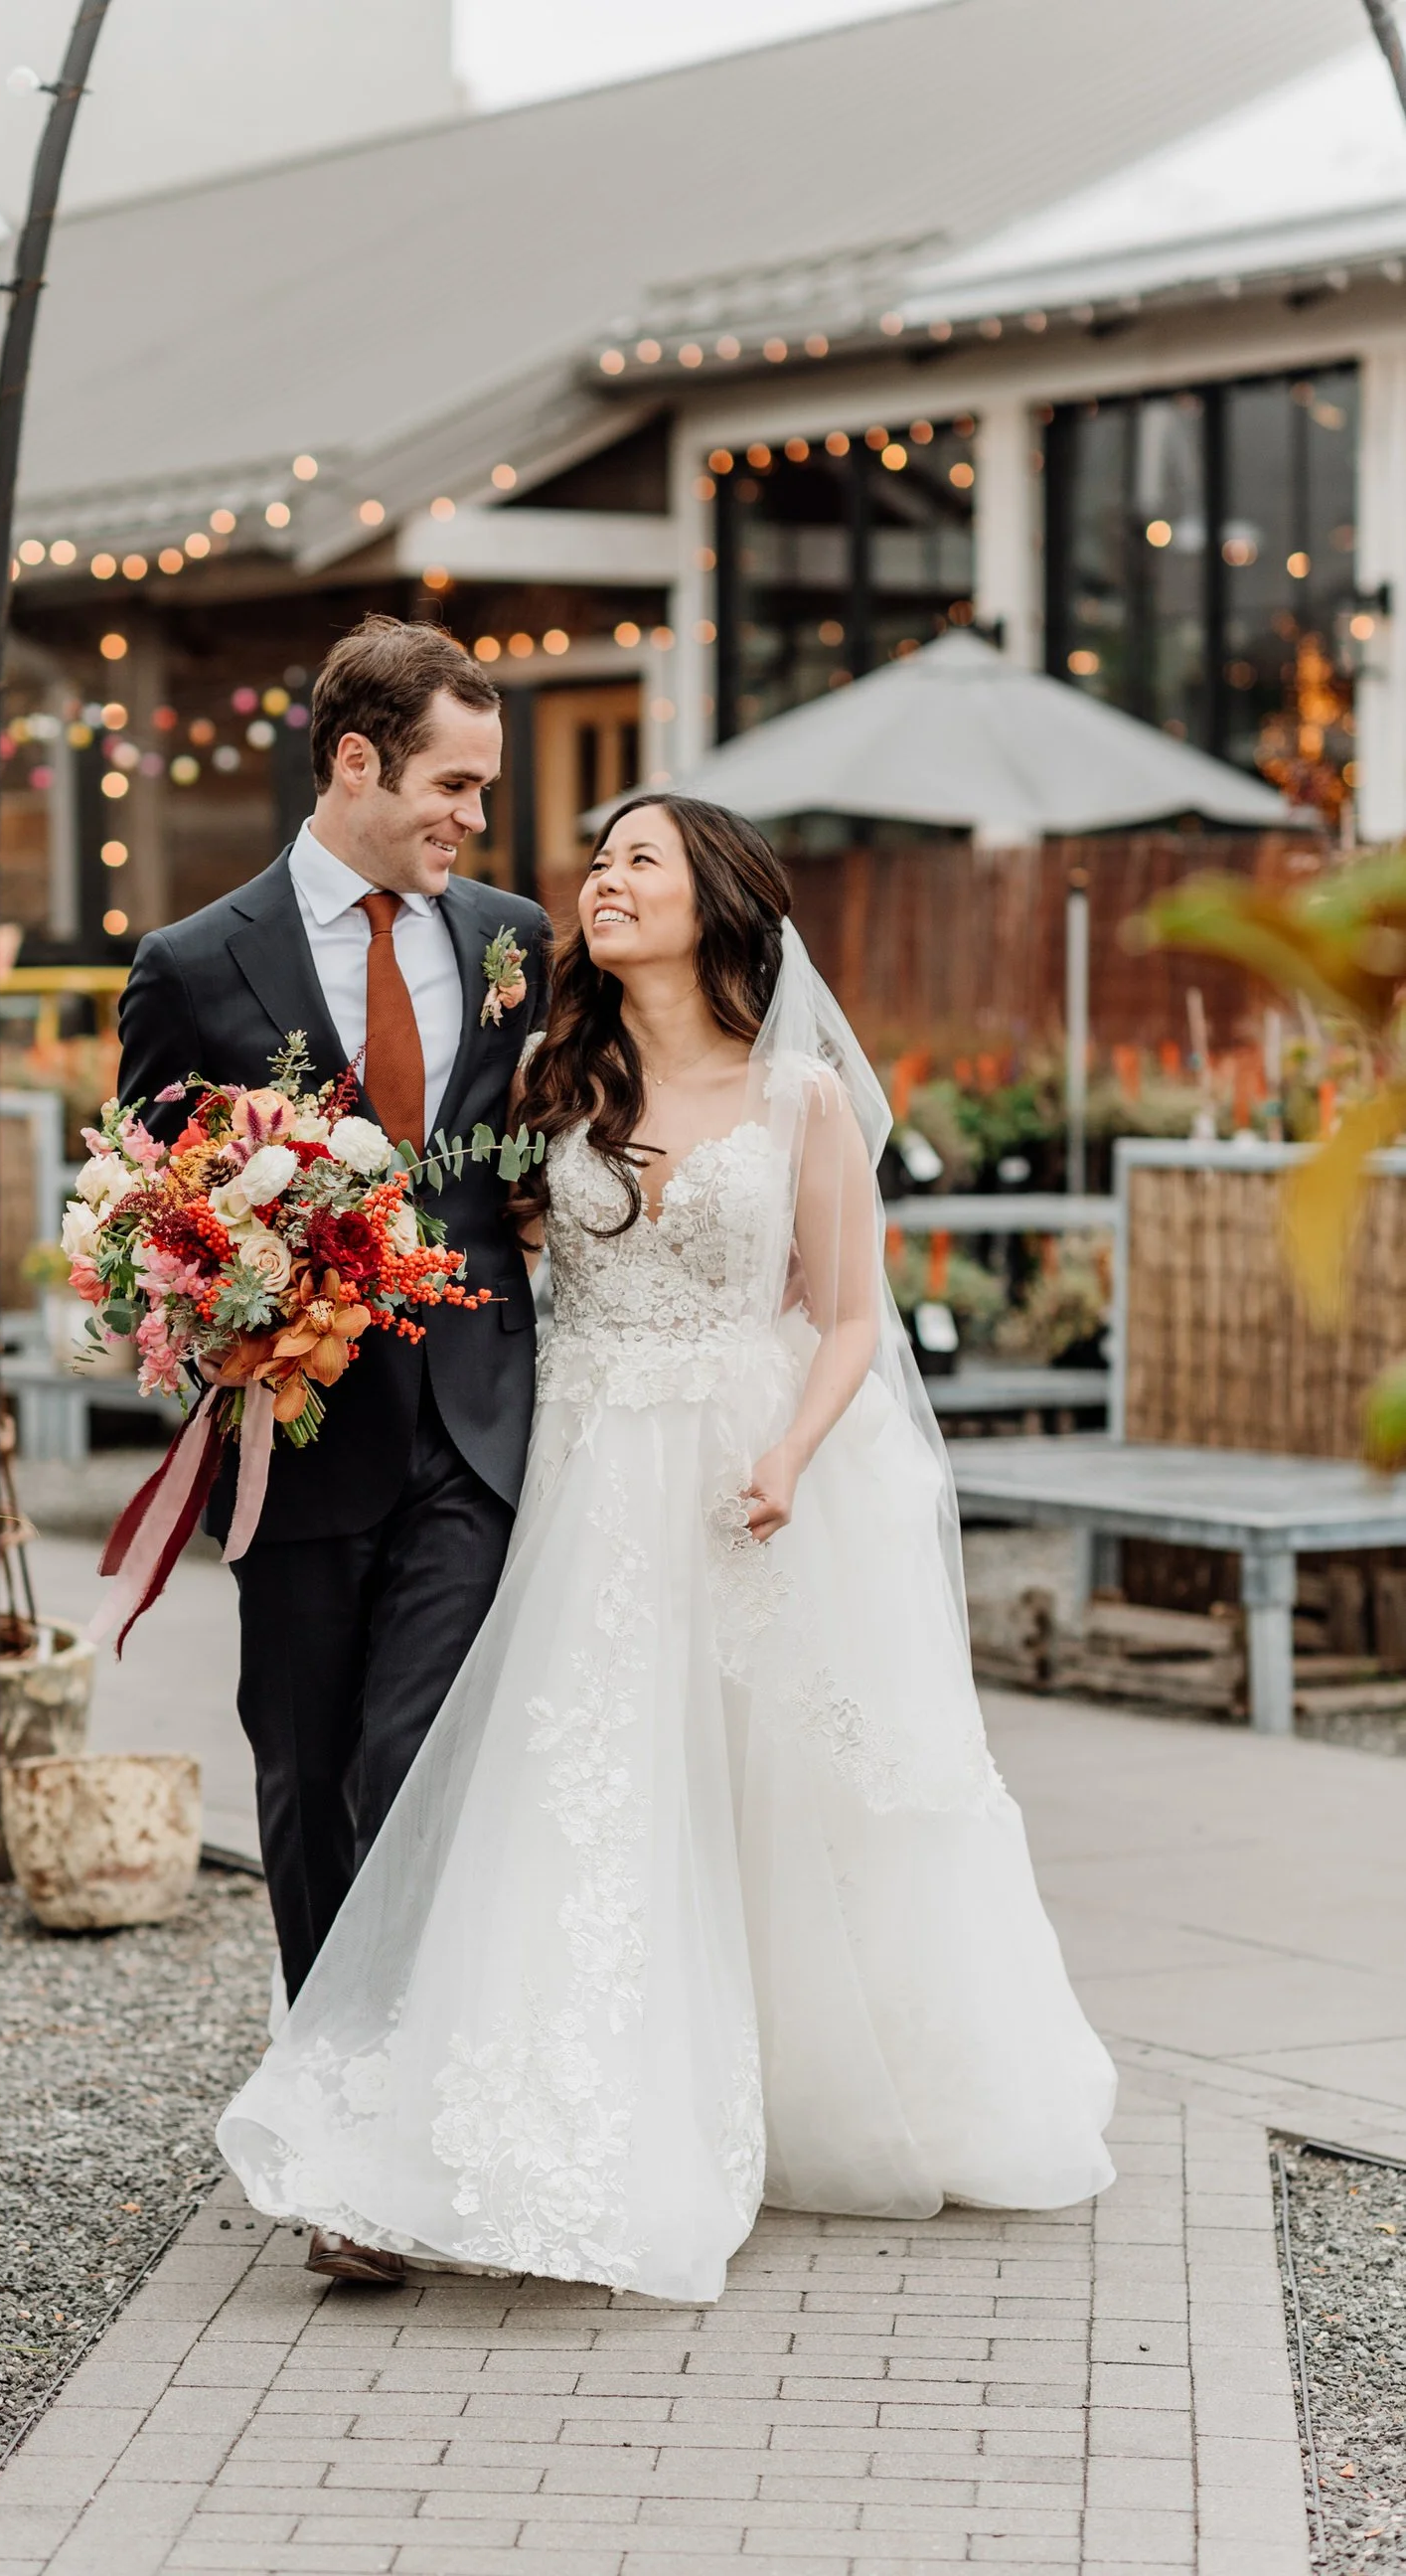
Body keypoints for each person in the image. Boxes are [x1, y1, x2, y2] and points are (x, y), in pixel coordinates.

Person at [215, 790, 1116, 2302]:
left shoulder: (800, 1099)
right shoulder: (555, 1077)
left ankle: (794, 2085)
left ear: (716, 899)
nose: (601, 880)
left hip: (740, 1469)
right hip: (578, 1467)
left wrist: (784, 1454)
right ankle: (546, 2116)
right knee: (586, 1787)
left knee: (769, 1790)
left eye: (640, 860)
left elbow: (846, 1316)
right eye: (600, 861)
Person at [117, 616, 551, 2281]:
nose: (470, 820)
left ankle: (411, 2127)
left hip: (475, 1430)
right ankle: (333, 2136)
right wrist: (213, 1312)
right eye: (451, 783)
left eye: (485, 790)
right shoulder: (193, 962)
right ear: (355, 762)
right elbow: (147, 1212)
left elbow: (535, 1148)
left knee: (411, 1763)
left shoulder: (510, 938)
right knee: (304, 1784)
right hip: (294, 1440)